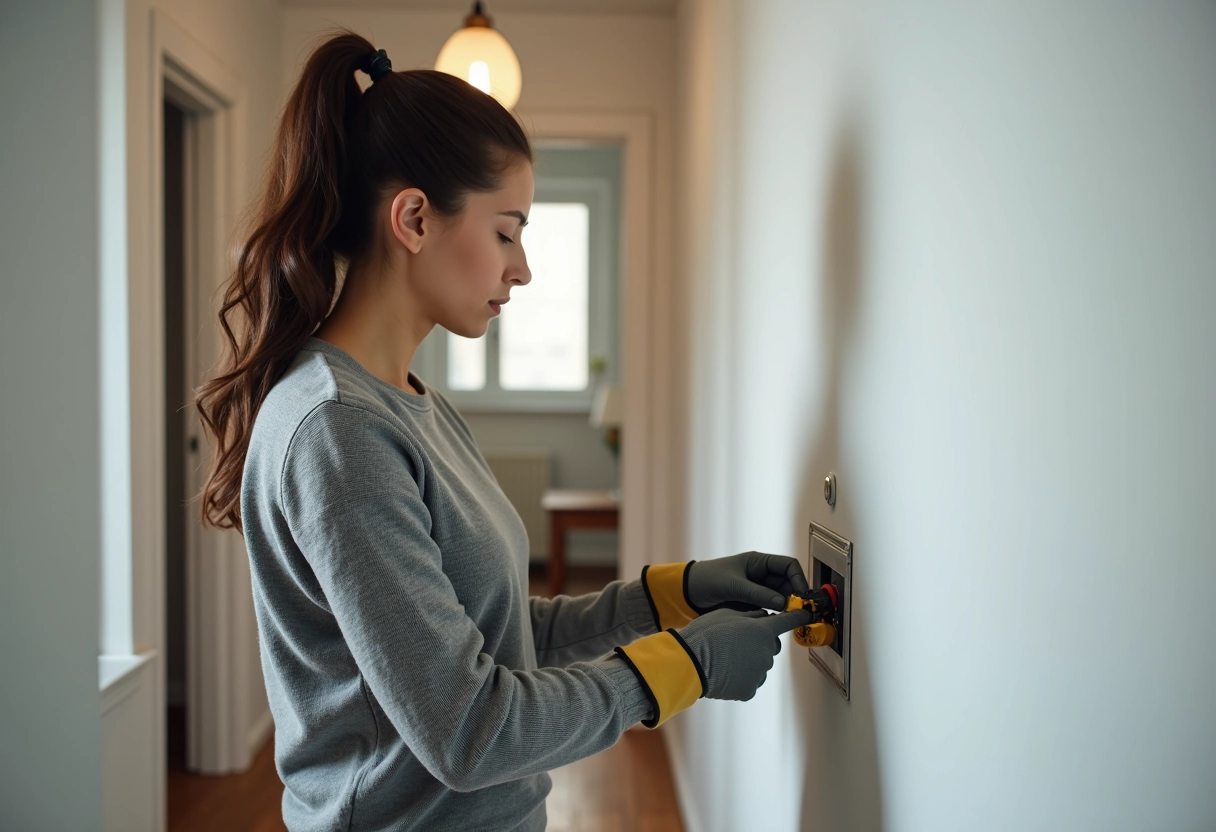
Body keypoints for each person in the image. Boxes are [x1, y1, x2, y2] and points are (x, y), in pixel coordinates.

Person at [194, 30, 814, 832]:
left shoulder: (412, 405)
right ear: (414, 218)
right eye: (506, 231)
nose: (521, 268)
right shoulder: (338, 430)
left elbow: (501, 637)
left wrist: (675, 594)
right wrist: (679, 669)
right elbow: (470, 730)